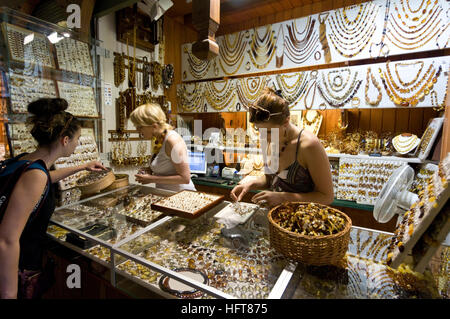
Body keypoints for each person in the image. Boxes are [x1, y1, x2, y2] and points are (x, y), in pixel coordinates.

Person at [0, 98, 106, 299]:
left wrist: (83, 166)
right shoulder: (36, 175)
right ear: (65, 140)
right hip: (16, 268)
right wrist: (9, 294)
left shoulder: (26, 160)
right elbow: (7, 240)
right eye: (77, 139)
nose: (77, 143)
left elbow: (45, 177)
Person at [231, 88, 334, 207]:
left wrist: (283, 198)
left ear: (286, 121)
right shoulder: (267, 140)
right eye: (258, 130)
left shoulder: (309, 145)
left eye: (269, 131)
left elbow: (327, 197)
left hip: (303, 221)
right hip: (276, 219)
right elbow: (270, 179)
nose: (263, 136)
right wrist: (251, 183)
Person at [130, 103, 196, 192]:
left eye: (140, 127)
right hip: (167, 193)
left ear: (154, 126)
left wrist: (151, 179)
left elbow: (185, 178)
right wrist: (150, 170)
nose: (137, 131)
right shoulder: (158, 139)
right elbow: (166, 166)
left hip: (181, 194)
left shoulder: (172, 140)